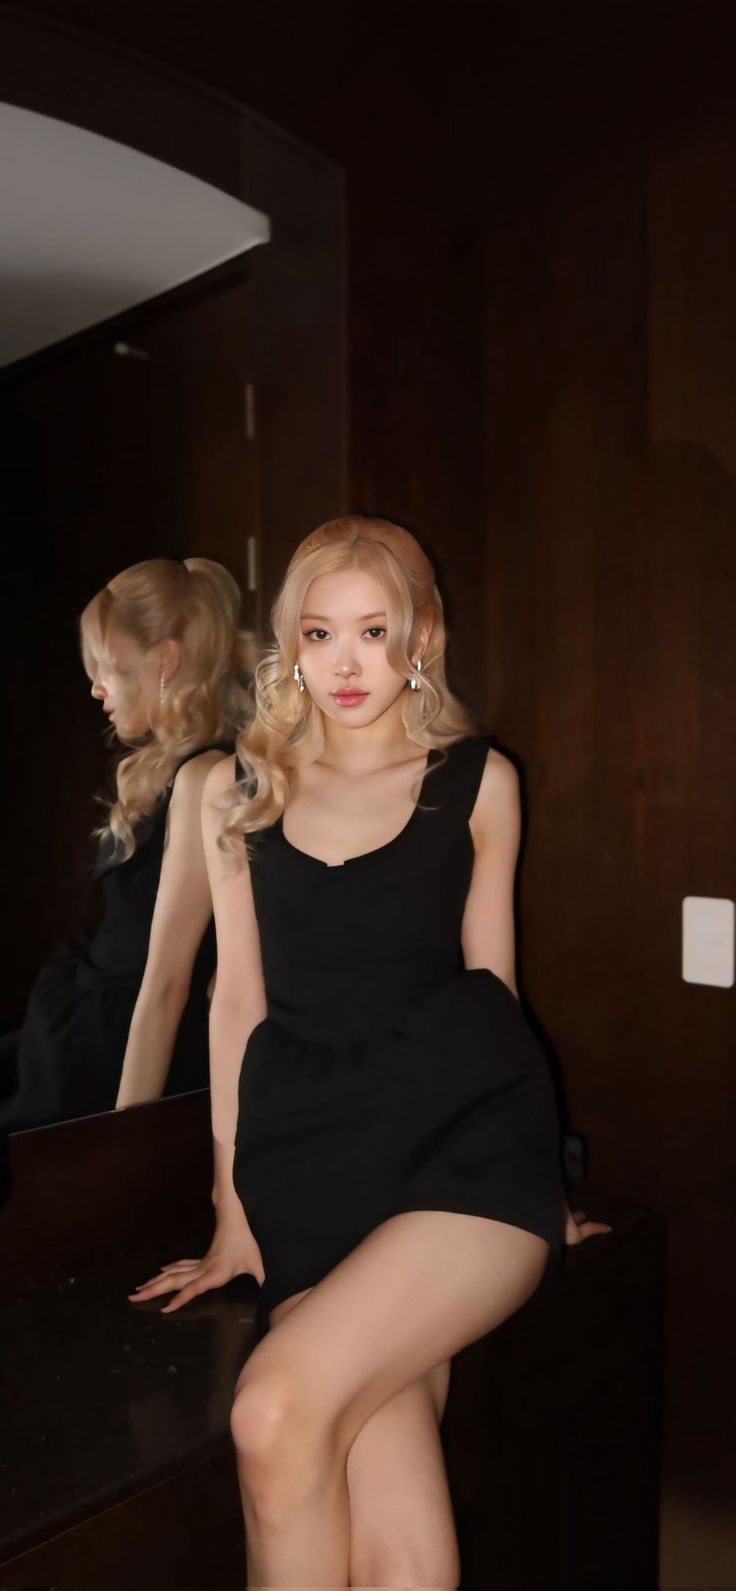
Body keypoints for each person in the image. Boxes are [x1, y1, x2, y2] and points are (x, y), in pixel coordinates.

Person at [132, 517, 610, 1587]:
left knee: (270, 1409)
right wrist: (232, 1205)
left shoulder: (478, 781)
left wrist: (547, 1169)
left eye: (373, 631)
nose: (345, 663)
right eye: (317, 632)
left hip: (464, 1153)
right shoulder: (237, 790)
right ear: (290, 647)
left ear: (421, 637)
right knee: (401, 1558)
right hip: (313, 1161)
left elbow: (496, 991)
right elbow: (237, 1003)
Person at [10, 557, 254, 1130]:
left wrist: (123, 1145)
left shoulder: (204, 778)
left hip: (121, 1044)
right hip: (90, 1018)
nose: (96, 688)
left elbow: (168, 983)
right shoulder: (176, 768)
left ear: (165, 659)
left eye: (109, 668)